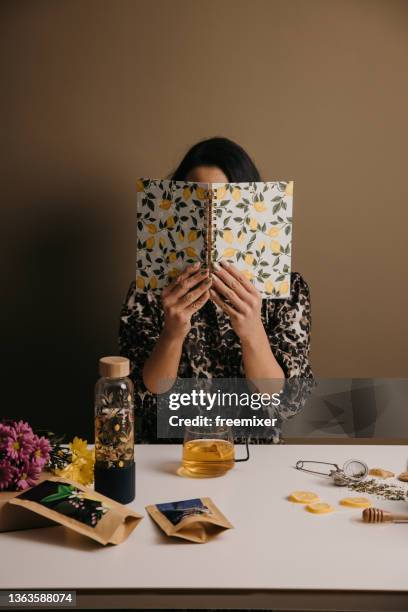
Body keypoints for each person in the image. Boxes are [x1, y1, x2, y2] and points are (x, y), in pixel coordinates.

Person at [119, 137, 313, 443]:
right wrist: (172, 332)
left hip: (254, 458)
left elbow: (288, 403)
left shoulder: (286, 290)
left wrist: (251, 331)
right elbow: (142, 399)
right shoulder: (149, 290)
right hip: (169, 455)